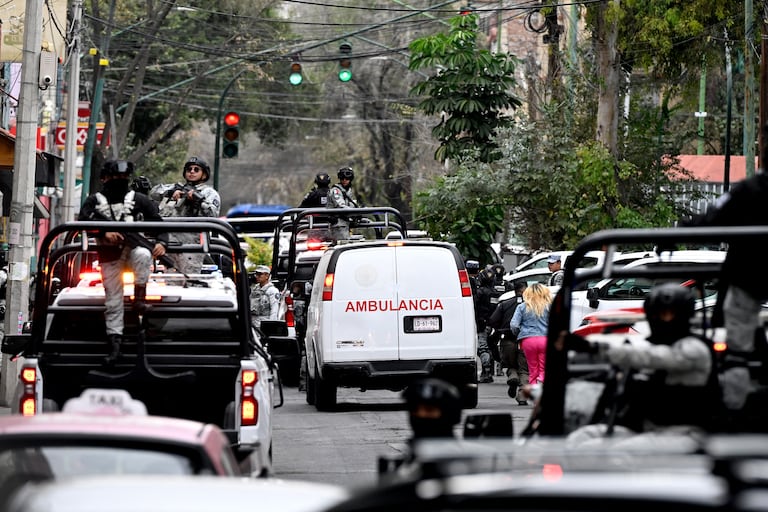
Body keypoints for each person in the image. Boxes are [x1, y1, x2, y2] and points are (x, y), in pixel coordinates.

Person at [561, 283, 718, 435]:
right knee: (582, 437)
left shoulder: (693, 348)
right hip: (649, 428)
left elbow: (652, 357)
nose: (663, 320)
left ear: (684, 315)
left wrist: (593, 347)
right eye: (658, 314)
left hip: (682, 432)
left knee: (599, 452)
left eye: (669, 314)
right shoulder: (658, 343)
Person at [682, 172, 768, 412]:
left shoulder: (751, 189)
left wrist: (685, 227)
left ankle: (733, 411)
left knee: (737, 351)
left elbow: (716, 218)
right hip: (748, 278)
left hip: (748, 276)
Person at [79, 160, 168, 364]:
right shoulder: (94, 201)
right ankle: (115, 345)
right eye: (115, 177)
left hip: (135, 252)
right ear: (105, 178)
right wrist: (104, 232)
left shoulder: (139, 200)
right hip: (109, 255)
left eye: (123, 178)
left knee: (144, 255)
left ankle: (139, 299)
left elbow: (159, 223)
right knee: (113, 301)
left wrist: (162, 242)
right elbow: (84, 221)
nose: (120, 181)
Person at [150, 156, 221, 274]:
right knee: (170, 282)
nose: (192, 172)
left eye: (196, 169)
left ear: (204, 174)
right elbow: (153, 192)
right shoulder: (176, 187)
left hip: (192, 244)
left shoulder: (209, 193)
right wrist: (170, 192)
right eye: (189, 169)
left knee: (190, 280)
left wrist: (198, 201)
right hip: (170, 243)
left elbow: (213, 214)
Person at [487, 281, 530, 404]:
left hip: (507, 339)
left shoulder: (504, 304)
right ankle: (522, 395)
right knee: (524, 369)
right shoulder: (531, 305)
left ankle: (512, 376)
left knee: (510, 364)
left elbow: (493, 321)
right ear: (525, 290)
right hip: (525, 341)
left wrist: (501, 328)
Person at [510, 283, 552, 386]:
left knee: (532, 369)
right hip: (545, 339)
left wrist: (519, 334)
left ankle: (533, 392)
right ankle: (542, 384)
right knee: (543, 368)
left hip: (528, 340)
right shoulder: (550, 307)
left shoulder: (522, 307)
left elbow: (514, 325)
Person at [474, 268, 497, 383]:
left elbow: (474, 307)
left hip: (481, 324)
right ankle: (487, 371)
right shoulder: (495, 292)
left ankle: (487, 371)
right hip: (492, 324)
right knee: (487, 348)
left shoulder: (480, 292)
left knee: (483, 348)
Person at [326, 167, 359, 241]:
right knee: (343, 245)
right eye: (342, 178)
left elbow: (352, 204)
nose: (344, 180)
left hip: (347, 223)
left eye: (347, 179)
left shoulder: (349, 191)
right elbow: (341, 206)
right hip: (338, 224)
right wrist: (356, 211)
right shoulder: (336, 191)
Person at [249, 264, 280, 331]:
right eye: (256, 274)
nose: (257, 276)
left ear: (267, 276)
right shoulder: (254, 289)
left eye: (260, 274)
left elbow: (274, 310)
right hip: (253, 324)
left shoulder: (272, 290)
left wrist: (271, 326)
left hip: (264, 325)